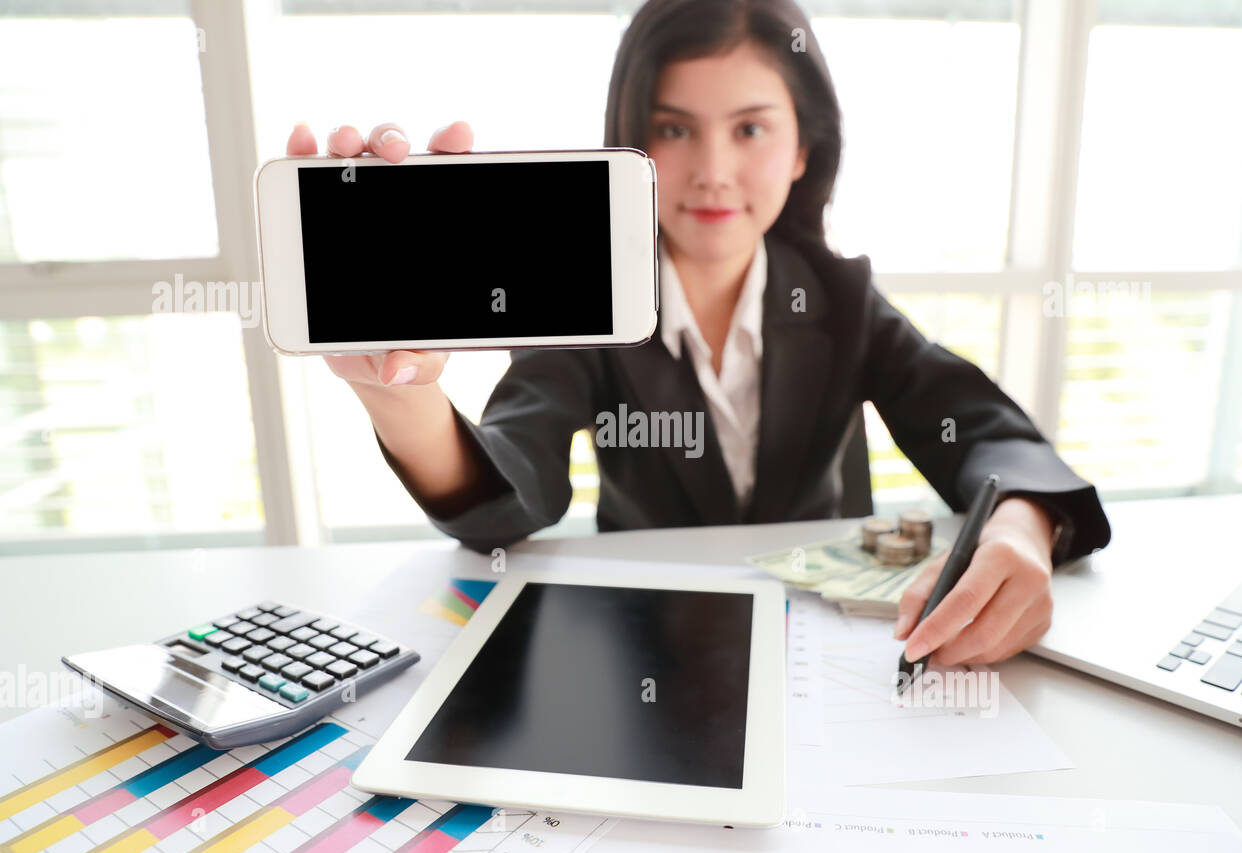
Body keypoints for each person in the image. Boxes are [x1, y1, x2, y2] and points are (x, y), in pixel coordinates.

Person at [283, 0, 1110, 668]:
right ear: (632, 142)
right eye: (674, 129)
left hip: (836, 661)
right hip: (650, 655)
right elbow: (508, 494)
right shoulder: (590, 306)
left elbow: (975, 424)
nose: (712, 168)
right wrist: (398, 395)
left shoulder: (839, 296)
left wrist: (1022, 528)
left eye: (749, 128)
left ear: (801, 150)